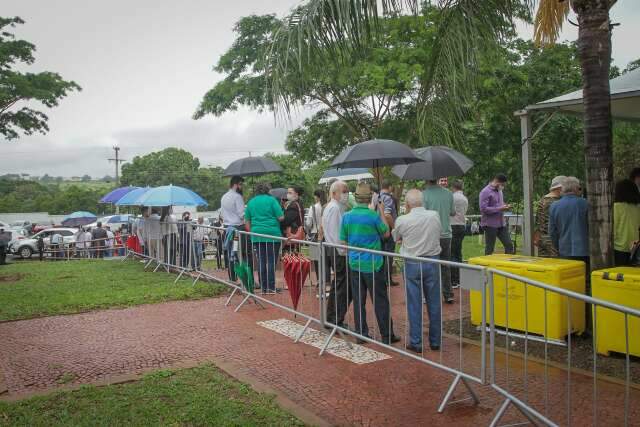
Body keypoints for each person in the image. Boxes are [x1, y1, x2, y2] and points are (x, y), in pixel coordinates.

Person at [340, 182, 399, 345]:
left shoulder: (347, 216)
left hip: (354, 263)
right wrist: (380, 208)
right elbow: (386, 233)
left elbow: (342, 240)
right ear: (369, 199)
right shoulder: (372, 216)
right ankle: (387, 335)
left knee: (359, 300)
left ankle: (361, 333)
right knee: (380, 300)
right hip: (374, 264)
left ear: (357, 198)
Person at [393, 189, 442, 352]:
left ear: (407, 204)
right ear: (423, 201)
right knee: (434, 302)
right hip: (432, 260)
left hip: (413, 262)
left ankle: (416, 341)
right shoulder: (434, 215)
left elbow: (395, 237)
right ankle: (435, 341)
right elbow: (438, 232)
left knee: (414, 303)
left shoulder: (402, 219)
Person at [245, 183, 284, 294]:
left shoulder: (251, 202)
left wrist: (252, 232)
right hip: (272, 235)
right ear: (268, 190)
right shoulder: (272, 200)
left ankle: (263, 287)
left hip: (257, 235)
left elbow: (247, 221)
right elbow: (281, 217)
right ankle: (271, 287)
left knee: (261, 261)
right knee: (271, 261)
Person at [323, 180, 351, 328]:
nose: (346, 194)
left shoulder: (336, 207)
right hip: (338, 252)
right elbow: (336, 234)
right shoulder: (334, 208)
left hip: (336, 250)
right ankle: (334, 319)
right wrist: (343, 251)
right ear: (334, 193)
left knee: (338, 285)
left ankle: (333, 317)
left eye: (347, 191)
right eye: (343, 191)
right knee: (341, 286)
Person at [423, 179, 455, 304]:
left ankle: (431, 295)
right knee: (445, 265)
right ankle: (448, 294)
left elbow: (423, 215)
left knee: (430, 265)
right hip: (446, 234)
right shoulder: (448, 193)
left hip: (431, 235)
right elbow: (453, 212)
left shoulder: (424, 195)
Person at [549, 177, 589, 265]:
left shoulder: (554, 206)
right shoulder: (585, 204)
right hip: (584, 250)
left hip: (564, 250)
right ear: (576, 189)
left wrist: (558, 246)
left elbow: (552, 232)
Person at [220, 176, 251, 278]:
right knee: (242, 254)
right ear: (235, 185)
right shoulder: (237, 197)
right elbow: (242, 214)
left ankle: (232, 277)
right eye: (240, 185)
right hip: (237, 230)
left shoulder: (224, 196)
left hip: (228, 228)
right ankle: (245, 278)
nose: (241, 187)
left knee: (231, 253)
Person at [479, 174, 514, 256]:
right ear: (497, 182)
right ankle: (486, 267)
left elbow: (499, 204)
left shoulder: (500, 191)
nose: (503, 187)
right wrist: (500, 208)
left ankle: (506, 265)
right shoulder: (485, 192)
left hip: (501, 224)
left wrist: (506, 206)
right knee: (490, 248)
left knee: (509, 245)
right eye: (502, 185)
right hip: (490, 224)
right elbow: (483, 209)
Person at [534, 176, 566, 257]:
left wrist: (537, 236)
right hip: (553, 239)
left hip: (542, 238)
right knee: (556, 264)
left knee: (544, 265)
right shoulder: (557, 202)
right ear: (559, 188)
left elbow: (538, 221)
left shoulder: (542, 199)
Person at [613, 179, 640, 266]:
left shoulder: (617, 206)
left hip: (619, 247)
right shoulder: (638, 207)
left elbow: (614, 228)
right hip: (635, 247)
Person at [378, 180, 400, 287]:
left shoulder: (376, 196)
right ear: (390, 187)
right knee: (389, 255)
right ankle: (387, 279)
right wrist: (393, 227)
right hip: (387, 230)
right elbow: (387, 214)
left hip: (378, 230)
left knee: (382, 255)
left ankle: (382, 278)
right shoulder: (387, 198)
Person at [305, 189, 328, 284]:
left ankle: (319, 280)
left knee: (316, 260)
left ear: (317, 196)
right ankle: (326, 281)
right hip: (326, 236)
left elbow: (309, 223)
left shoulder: (313, 208)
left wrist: (306, 227)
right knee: (326, 260)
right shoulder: (327, 206)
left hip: (315, 235)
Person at [450, 180, 468, 288]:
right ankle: (459, 278)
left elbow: (450, 211)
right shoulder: (464, 198)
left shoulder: (452, 197)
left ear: (453, 187)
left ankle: (454, 280)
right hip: (462, 225)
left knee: (452, 253)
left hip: (453, 225)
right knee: (458, 253)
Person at [281, 186, 305, 251]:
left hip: (292, 233)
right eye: (287, 192)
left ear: (296, 194)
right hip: (297, 233)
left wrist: (281, 220)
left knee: (290, 257)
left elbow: (287, 220)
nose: (288, 194)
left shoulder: (293, 206)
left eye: (290, 193)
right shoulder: (298, 203)